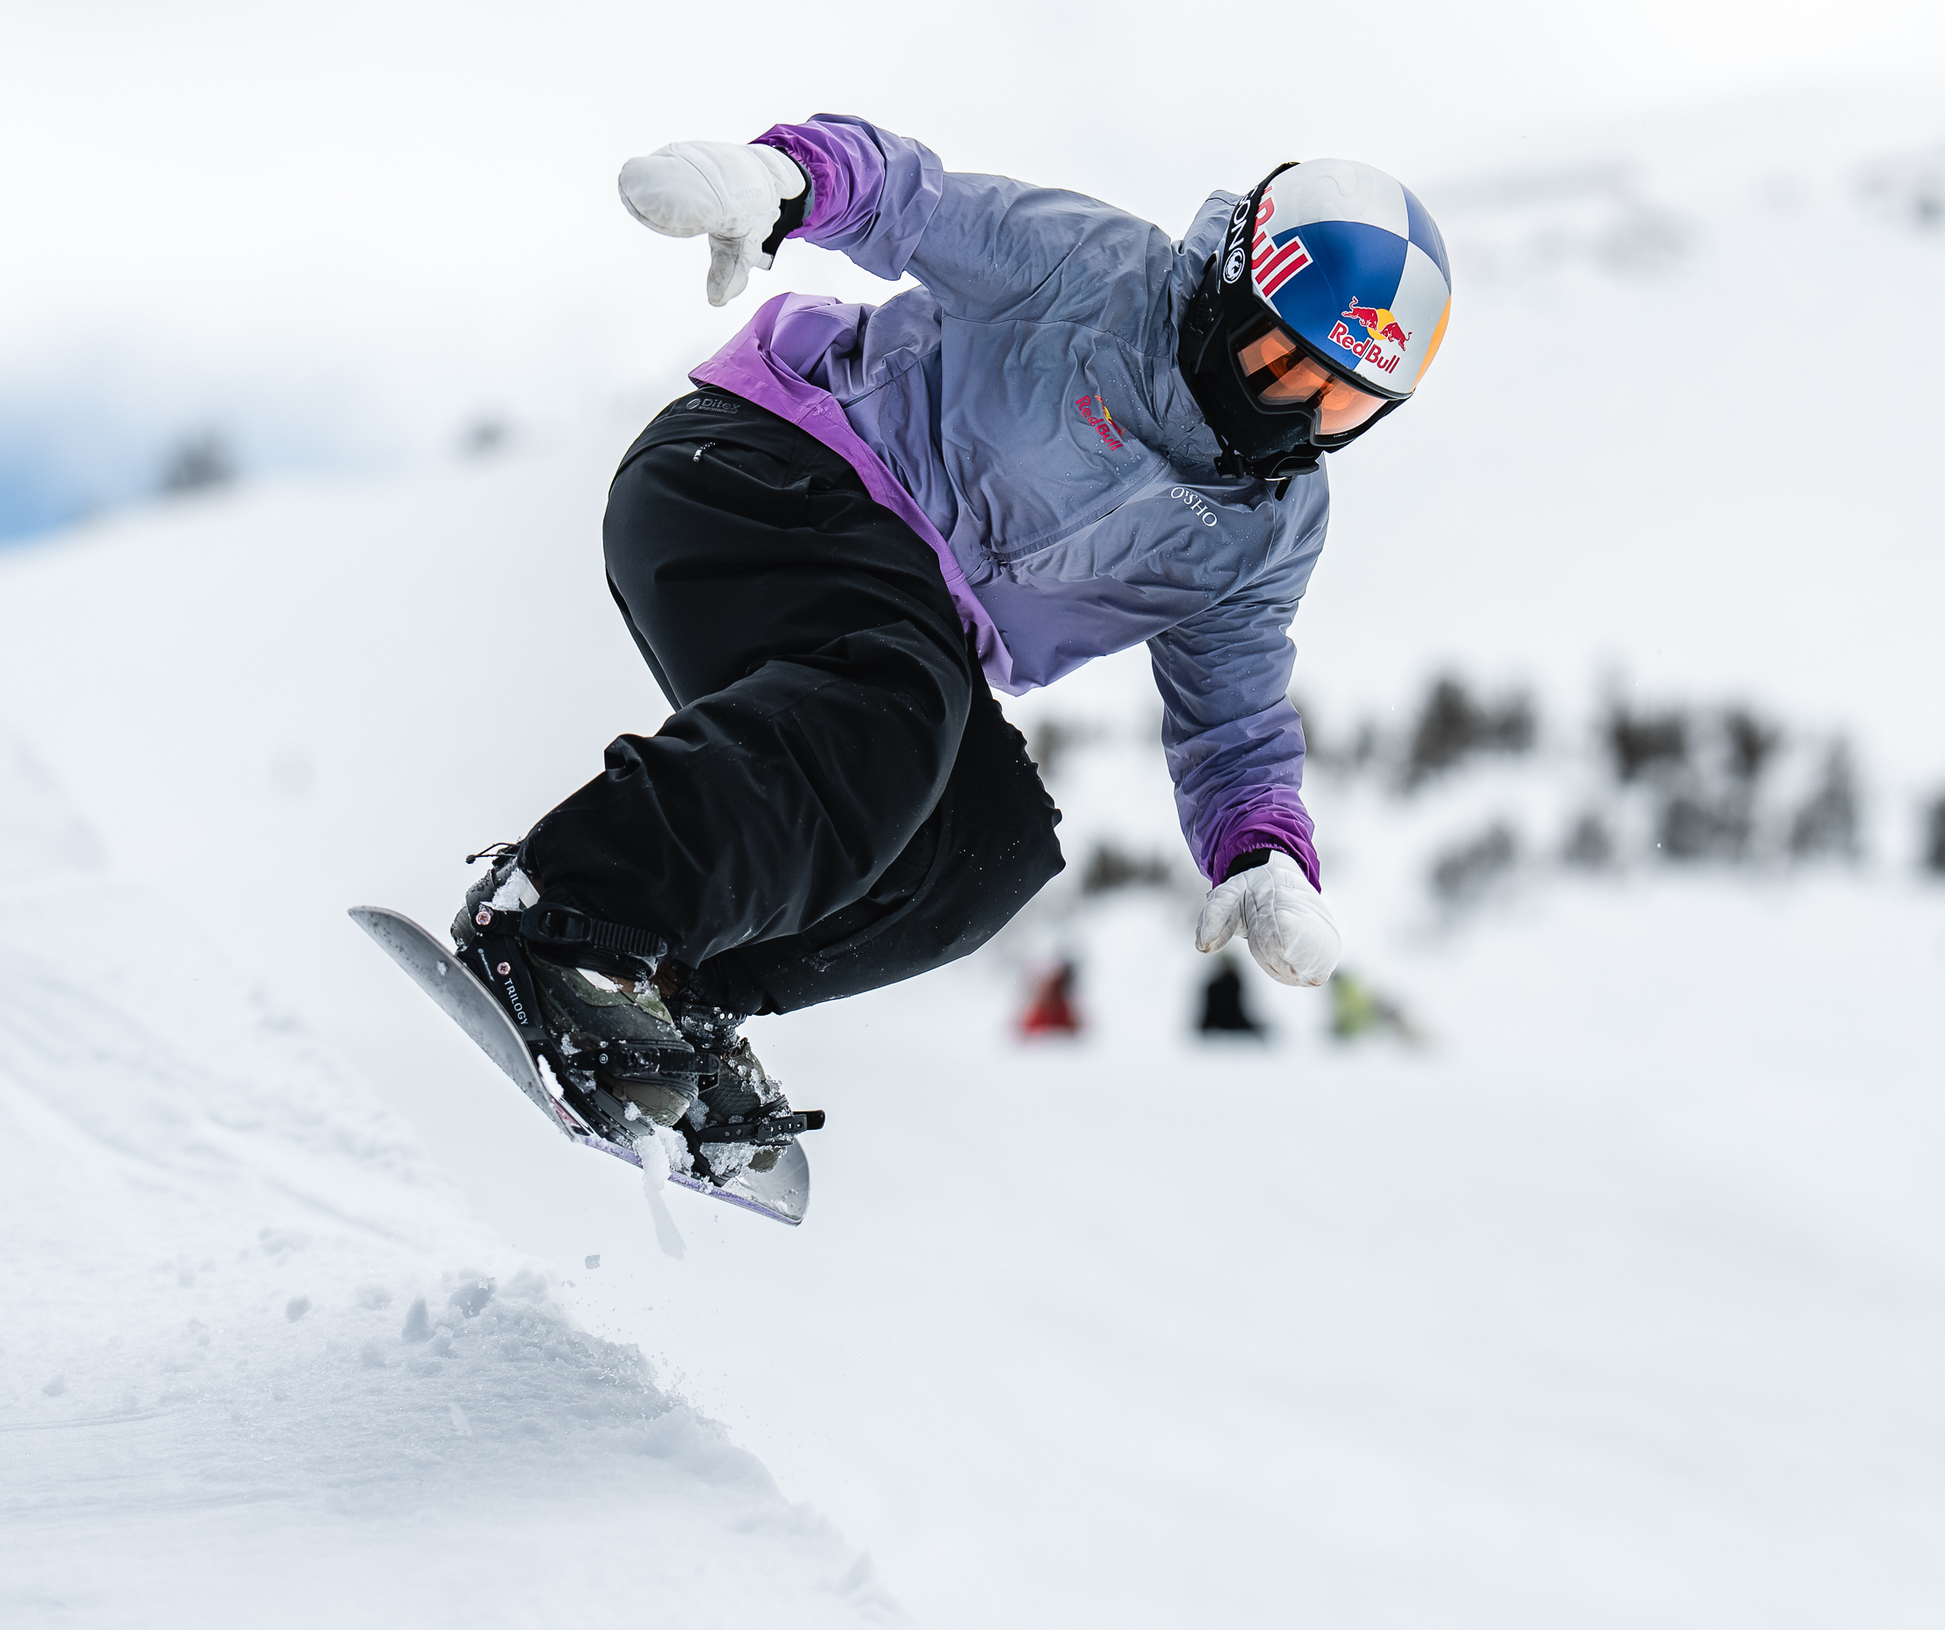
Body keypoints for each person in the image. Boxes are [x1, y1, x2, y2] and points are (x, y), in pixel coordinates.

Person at [450, 115, 1452, 1182]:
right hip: (761, 470)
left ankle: (671, 996)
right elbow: (907, 200)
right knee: (898, 699)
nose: (1296, 419)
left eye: (1343, 402)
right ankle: (563, 913)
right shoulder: (1100, 275)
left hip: (898, 619)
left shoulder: (1270, 525)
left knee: (986, 851)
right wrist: (785, 179)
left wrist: (1262, 851)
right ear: (1232, 292)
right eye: (1281, 364)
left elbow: (1234, 714)